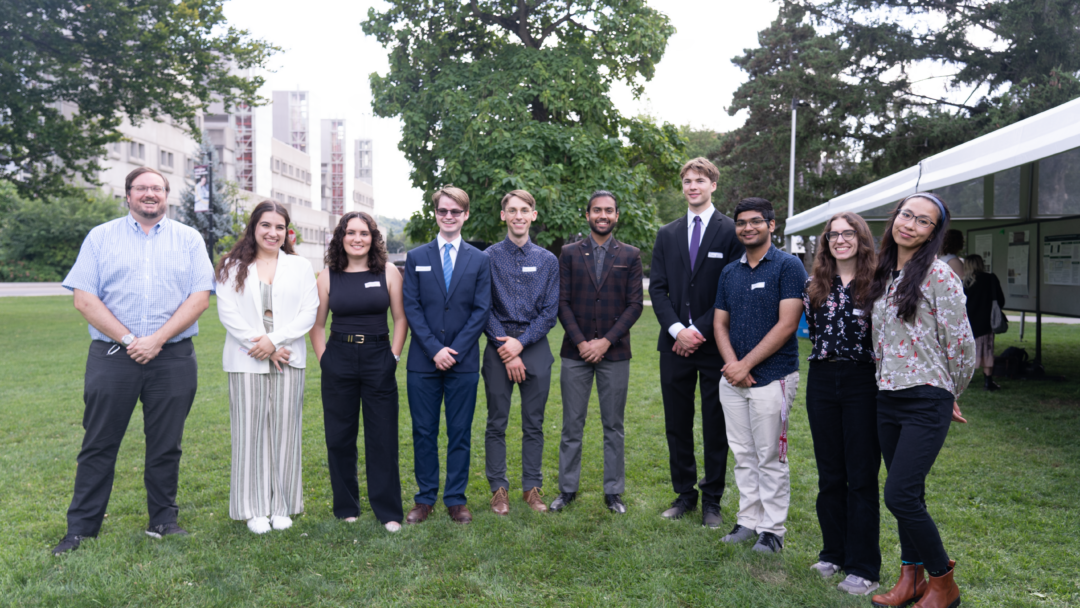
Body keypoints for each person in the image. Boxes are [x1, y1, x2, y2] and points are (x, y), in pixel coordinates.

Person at [52, 167, 215, 555]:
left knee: (166, 445)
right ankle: (81, 530)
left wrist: (156, 340)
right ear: (128, 195)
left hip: (172, 357)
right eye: (141, 188)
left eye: (156, 188)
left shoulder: (189, 239)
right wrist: (129, 339)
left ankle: (163, 520)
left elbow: (200, 297)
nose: (149, 194)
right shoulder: (100, 237)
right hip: (113, 356)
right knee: (98, 443)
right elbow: (84, 298)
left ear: (166, 196)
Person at [867, 193, 974, 608]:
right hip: (887, 397)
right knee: (911, 494)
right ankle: (909, 579)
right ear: (895, 218)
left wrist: (950, 393)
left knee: (900, 495)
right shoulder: (883, 272)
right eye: (906, 215)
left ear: (934, 232)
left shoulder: (939, 275)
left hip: (926, 398)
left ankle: (943, 583)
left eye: (923, 221)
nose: (910, 224)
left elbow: (961, 345)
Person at [648, 157, 743, 527]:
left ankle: (713, 501)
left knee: (715, 423)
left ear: (713, 185)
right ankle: (685, 494)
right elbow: (657, 288)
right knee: (677, 422)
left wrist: (698, 331)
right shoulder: (667, 233)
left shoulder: (731, 231)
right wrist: (677, 331)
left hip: (714, 344)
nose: (692, 186)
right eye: (687, 181)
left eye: (699, 180)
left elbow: (730, 288)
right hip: (673, 346)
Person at [215, 201, 319, 534]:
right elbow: (228, 313)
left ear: (286, 231)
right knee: (249, 433)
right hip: (246, 360)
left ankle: (283, 506)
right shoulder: (232, 266)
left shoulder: (300, 267)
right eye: (265, 225)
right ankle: (253, 507)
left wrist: (275, 342)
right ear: (254, 227)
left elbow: (309, 312)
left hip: (289, 358)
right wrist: (259, 344)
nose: (272, 233)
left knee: (286, 433)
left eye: (279, 227)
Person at [712, 197, 807, 554]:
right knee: (743, 454)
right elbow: (720, 323)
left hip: (773, 378)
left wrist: (746, 365)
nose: (747, 228)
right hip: (734, 379)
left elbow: (787, 326)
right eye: (741, 222)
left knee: (770, 456)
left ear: (771, 224)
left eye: (755, 221)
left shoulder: (788, 266)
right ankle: (748, 521)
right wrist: (733, 366)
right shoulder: (729, 272)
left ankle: (772, 530)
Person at [310, 212, 408, 532]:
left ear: (373, 238)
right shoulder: (327, 276)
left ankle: (388, 511)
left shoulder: (389, 272)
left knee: (382, 436)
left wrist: (393, 357)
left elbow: (401, 319)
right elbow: (318, 324)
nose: (357, 238)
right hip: (338, 357)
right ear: (341, 237)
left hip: (378, 357)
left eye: (363, 233)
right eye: (350, 232)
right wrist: (325, 359)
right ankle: (346, 507)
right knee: (339, 437)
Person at [402, 186, 492, 525]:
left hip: (463, 361)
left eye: (456, 211)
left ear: (465, 214)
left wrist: (454, 350)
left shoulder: (480, 260)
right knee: (423, 432)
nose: (449, 216)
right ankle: (424, 499)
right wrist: (434, 349)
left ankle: (456, 499)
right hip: (423, 362)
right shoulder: (416, 257)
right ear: (436, 214)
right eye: (443, 211)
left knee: (460, 431)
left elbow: (481, 310)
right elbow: (411, 307)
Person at [803, 212, 882, 594]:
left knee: (861, 476)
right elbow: (814, 332)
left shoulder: (880, 284)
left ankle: (863, 566)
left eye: (848, 233)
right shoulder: (815, 284)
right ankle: (832, 553)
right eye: (833, 235)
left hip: (862, 381)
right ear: (826, 243)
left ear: (861, 238)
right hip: (821, 379)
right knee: (830, 473)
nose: (840, 240)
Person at [550, 191, 644, 514]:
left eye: (609, 210)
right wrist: (582, 342)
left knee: (613, 425)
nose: (602, 215)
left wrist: (605, 342)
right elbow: (561, 303)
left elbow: (634, 307)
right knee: (571, 424)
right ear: (587, 214)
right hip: (575, 352)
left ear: (617, 216)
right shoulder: (569, 253)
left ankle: (613, 491)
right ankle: (567, 489)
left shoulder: (630, 255)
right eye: (596, 210)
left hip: (615, 353)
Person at [482, 190, 560, 515]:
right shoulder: (486, 258)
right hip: (498, 345)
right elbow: (483, 307)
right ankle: (498, 489)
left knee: (534, 422)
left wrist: (521, 345)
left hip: (535, 345)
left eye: (524, 210)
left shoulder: (547, 260)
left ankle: (532, 488)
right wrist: (507, 348)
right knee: (496, 421)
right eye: (511, 210)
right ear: (503, 216)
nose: (517, 215)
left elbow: (549, 312)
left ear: (533, 215)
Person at [962, 254, 1005, 391]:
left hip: (968, 323)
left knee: (967, 351)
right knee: (987, 351)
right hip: (986, 322)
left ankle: (965, 381)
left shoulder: (963, 282)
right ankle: (988, 381)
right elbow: (1000, 300)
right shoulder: (990, 279)